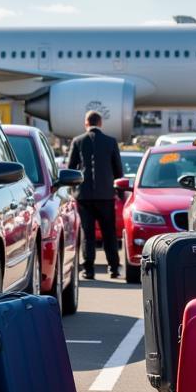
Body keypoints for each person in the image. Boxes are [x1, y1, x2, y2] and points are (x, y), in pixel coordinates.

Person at [67, 111, 124, 280]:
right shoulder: (111, 142)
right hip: (106, 195)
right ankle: (113, 268)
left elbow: (71, 168)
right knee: (109, 234)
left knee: (88, 233)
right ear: (100, 123)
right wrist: (120, 193)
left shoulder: (78, 141)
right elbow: (118, 170)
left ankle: (88, 270)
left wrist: (72, 192)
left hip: (84, 196)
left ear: (86, 123)